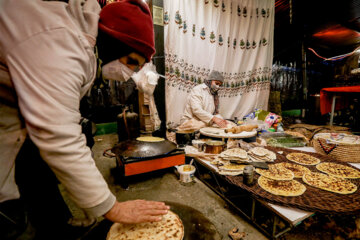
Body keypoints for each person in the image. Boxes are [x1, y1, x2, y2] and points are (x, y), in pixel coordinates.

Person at [0, 0, 169, 239]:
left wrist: (89, 198)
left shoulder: (87, 43)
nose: (129, 72)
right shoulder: (62, 42)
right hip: (8, 132)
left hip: (21, 129)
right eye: (131, 61)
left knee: (45, 198)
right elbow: (58, 135)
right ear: (112, 41)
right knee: (15, 223)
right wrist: (109, 206)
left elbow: (69, 121)